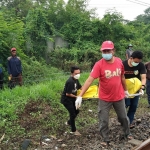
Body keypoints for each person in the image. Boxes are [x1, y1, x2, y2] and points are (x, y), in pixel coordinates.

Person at [75, 41, 132, 146]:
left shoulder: (119, 62)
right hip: (105, 98)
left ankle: (127, 133)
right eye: (104, 51)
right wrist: (80, 95)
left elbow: (122, 77)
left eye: (108, 51)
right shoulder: (99, 65)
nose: (106, 53)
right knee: (104, 120)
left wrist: (125, 90)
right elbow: (89, 80)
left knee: (123, 117)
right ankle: (105, 139)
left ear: (113, 51)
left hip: (119, 96)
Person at [123, 51, 146, 128]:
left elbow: (143, 77)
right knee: (126, 104)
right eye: (135, 62)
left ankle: (129, 122)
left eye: (138, 62)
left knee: (133, 106)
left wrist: (142, 87)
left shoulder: (141, 65)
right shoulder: (123, 64)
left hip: (136, 89)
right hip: (125, 89)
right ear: (131, 58)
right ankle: (123, 120)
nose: (137, 63)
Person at [61, 66, 82, 136]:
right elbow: (68, 94)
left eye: (79, 73)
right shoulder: (70, 82)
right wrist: (77, 97)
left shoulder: (76, 80)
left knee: (77, 111)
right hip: (66, 100)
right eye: (76, 73)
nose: (78, 75)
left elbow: (80, 87)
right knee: (72, 114)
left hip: (73, 99)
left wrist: (88, 91)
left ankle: (69, 122)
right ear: (72, 73)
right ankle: (74, 130)